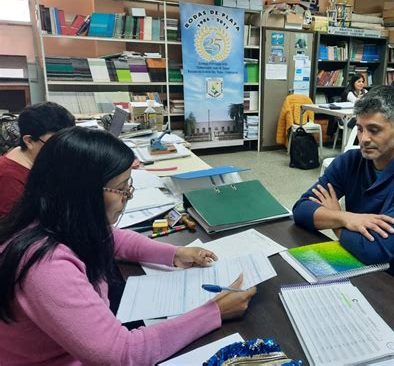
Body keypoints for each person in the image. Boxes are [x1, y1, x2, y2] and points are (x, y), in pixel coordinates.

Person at [0, 127, 256, 365]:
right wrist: (214, 312)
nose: (128, 196)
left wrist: (175, 253)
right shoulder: (46, 265)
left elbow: (113, 238)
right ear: (83, 192)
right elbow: (120, 354)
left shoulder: (55, 218)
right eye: (122, 189)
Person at [293, 85, 394, 290]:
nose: (363, 139)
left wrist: (334, 220)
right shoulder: (351, 161)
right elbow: (301, 210)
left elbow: (375, 251)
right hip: (349, 260)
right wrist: (346, 218)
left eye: (374, 130)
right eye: (360, 128)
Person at [0, 101, 75, 218]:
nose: (64, 150)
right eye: (55, 143)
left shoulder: (35, 157)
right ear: (29, 141)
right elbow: (16, 232)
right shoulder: (10, 180)